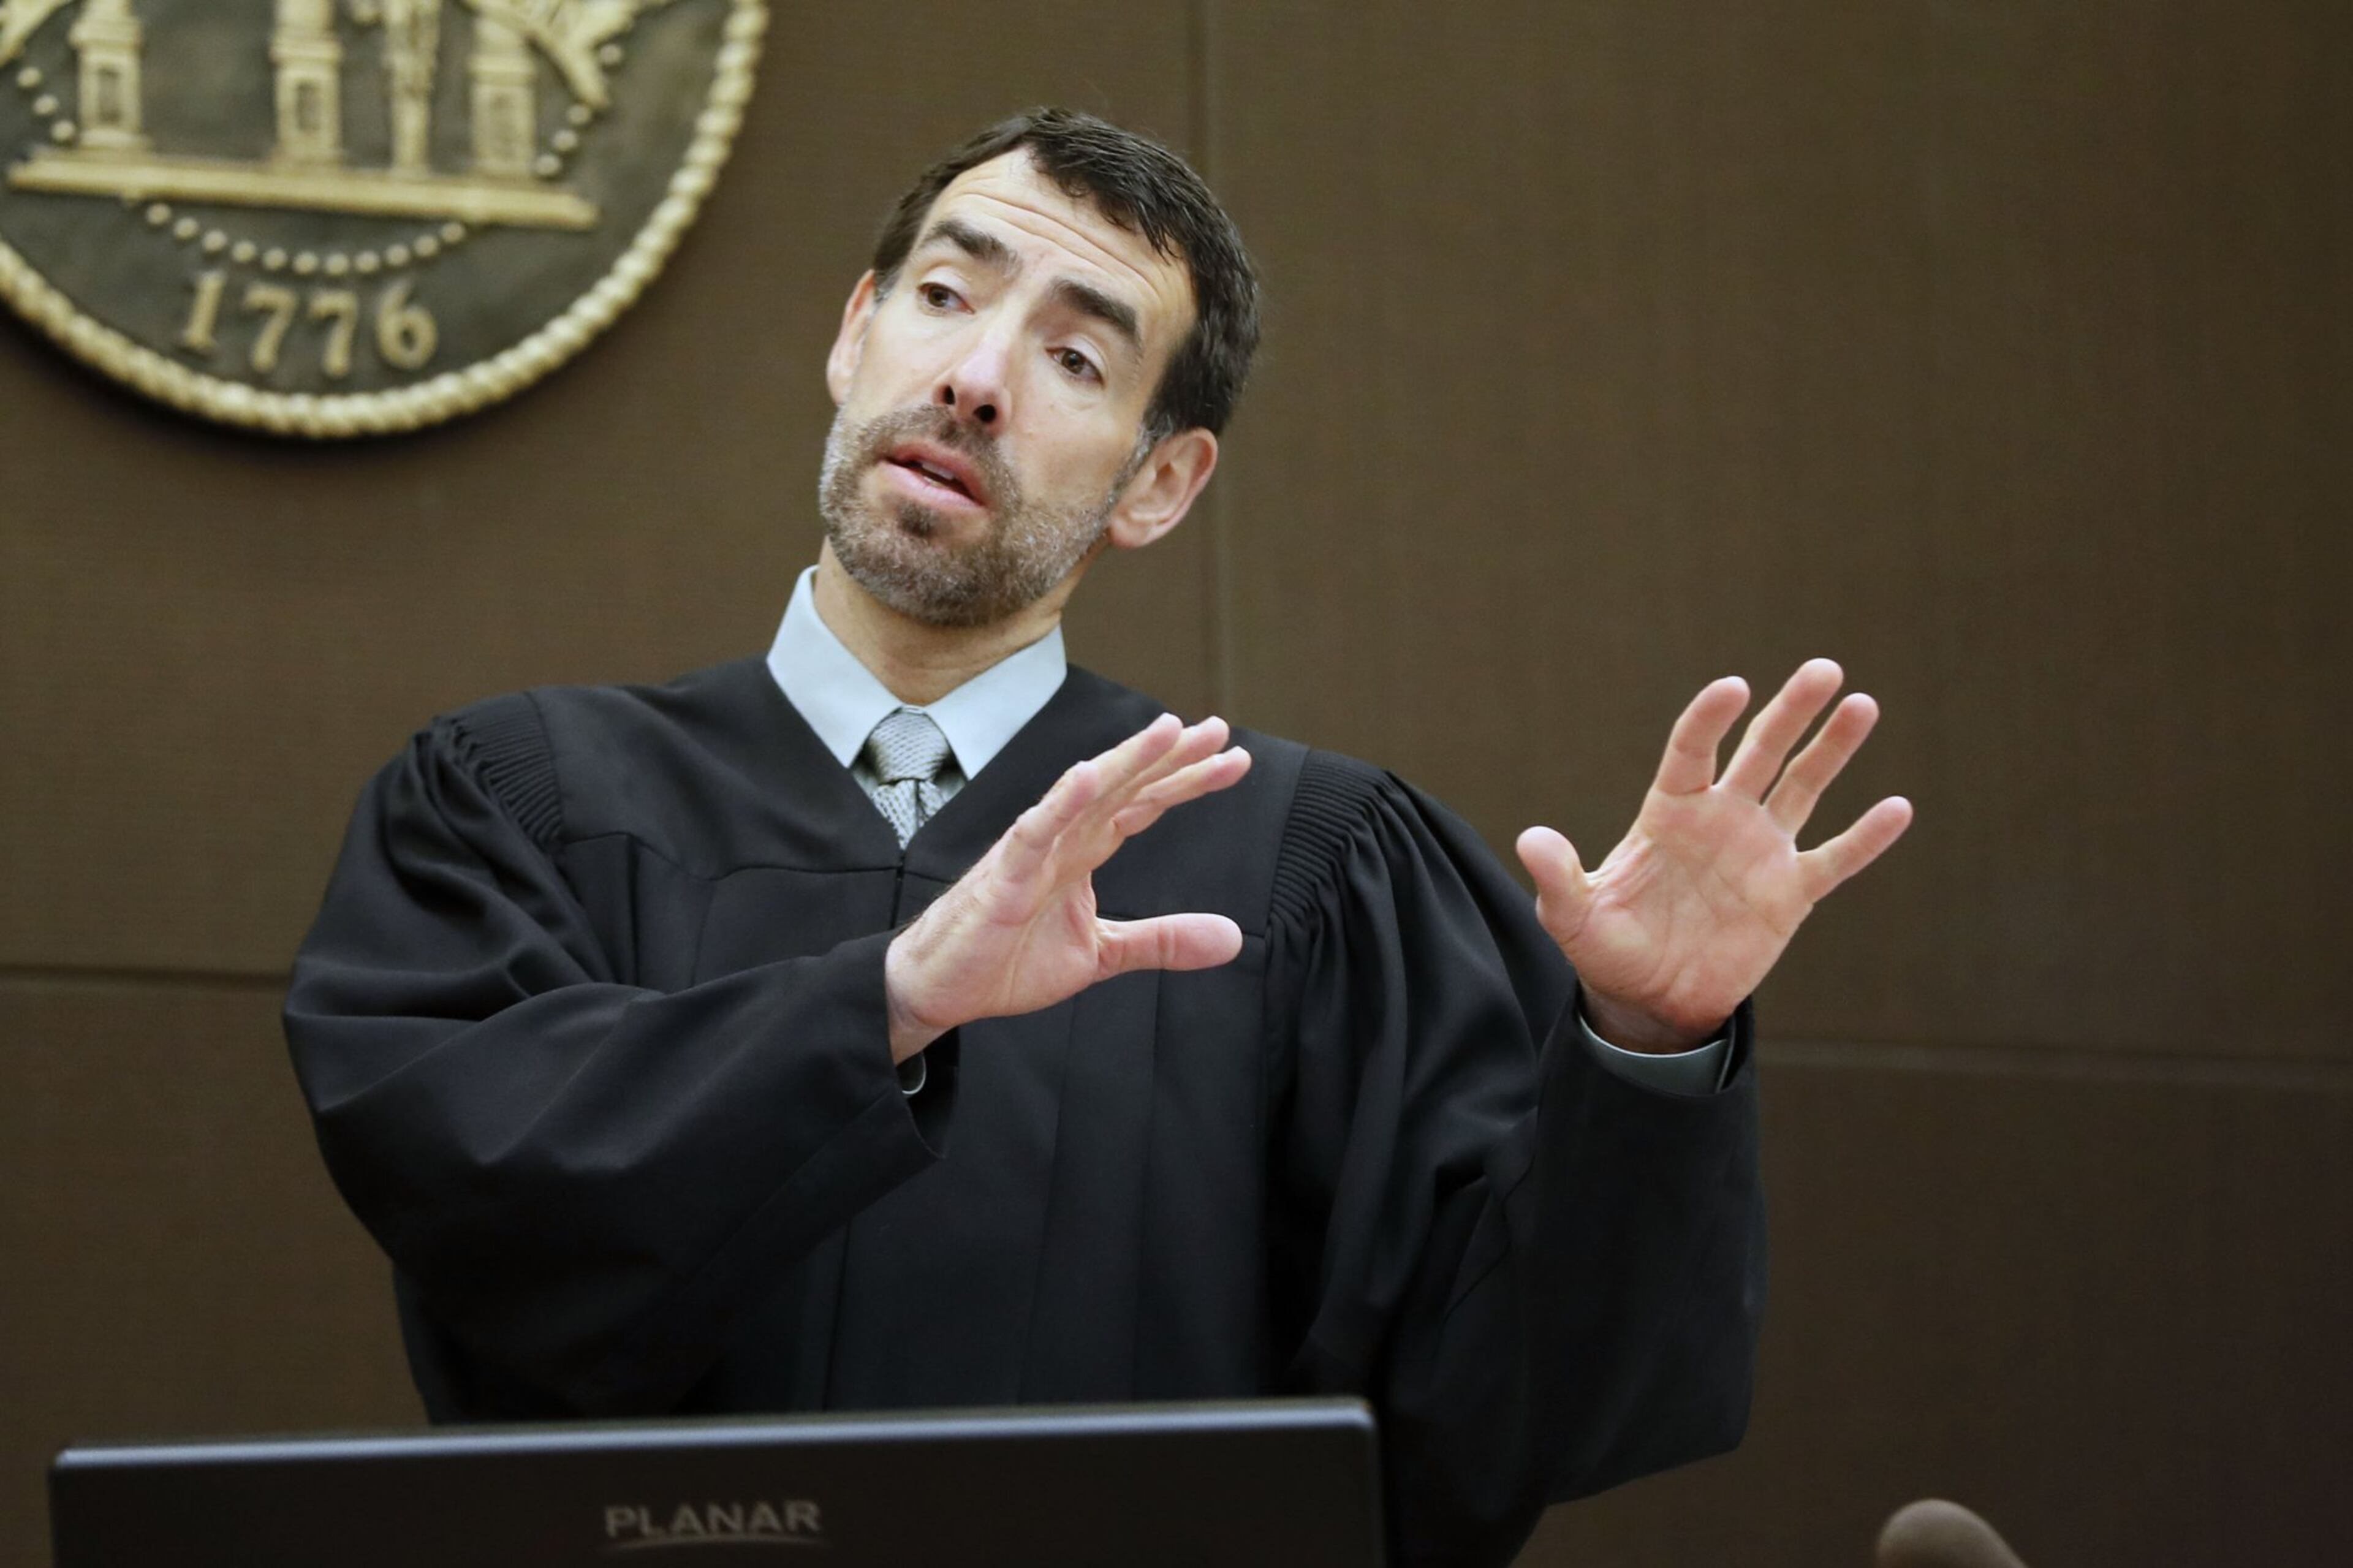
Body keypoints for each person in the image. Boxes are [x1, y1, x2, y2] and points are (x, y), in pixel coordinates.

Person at [285, 108, 1912, 1568]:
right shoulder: (524, 804)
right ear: (853, 335)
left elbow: (1492, 1422)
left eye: (1077, 358)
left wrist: (1641, 1053)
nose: (975, 376)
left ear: (1161, 484)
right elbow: (485, 1208)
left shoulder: (1298, 866)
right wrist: (889, 1003)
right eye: (943, 294)